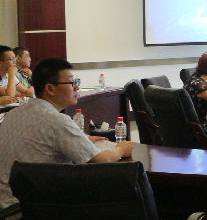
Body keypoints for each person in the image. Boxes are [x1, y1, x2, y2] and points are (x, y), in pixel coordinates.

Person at [0, 58, 134, 208]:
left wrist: (83, 139)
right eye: (71, 83)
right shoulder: (56, 120)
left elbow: (40, 139)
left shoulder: (14, 113)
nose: (77, 87)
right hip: (32, 209)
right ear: (50, 89)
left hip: (7, 205)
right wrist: (121, 149)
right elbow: (103, 161)